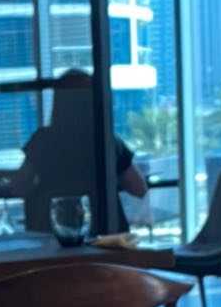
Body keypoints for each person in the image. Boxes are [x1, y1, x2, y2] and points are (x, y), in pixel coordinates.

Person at [11, 68, 147, 232]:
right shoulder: (106, 140)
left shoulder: (43, 140)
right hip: (105, 230)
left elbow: (19, 185)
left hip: (56, 229)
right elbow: (139, 188)